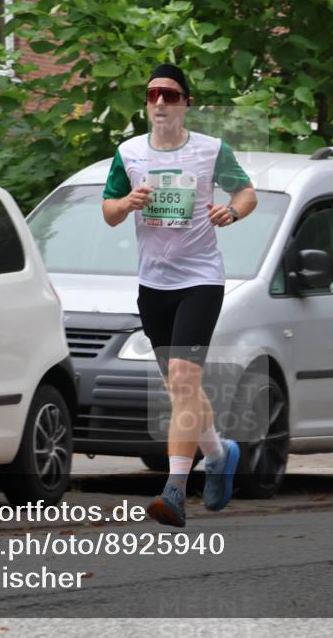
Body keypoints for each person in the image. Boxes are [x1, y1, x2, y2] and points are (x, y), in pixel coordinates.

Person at [102, 63, 257, 527]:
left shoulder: (210, 151)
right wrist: (126, 203)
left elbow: (247, 192)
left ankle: (173, 490)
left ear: (186, 103)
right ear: (146, 103)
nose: (161, 103)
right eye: (153, 95)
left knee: (184, 383)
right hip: (153, 285)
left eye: (170, 95)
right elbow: (108, 212)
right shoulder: (128, 154)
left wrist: (232, 211)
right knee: (181, 388)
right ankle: (219, 452)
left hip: (200, 281)